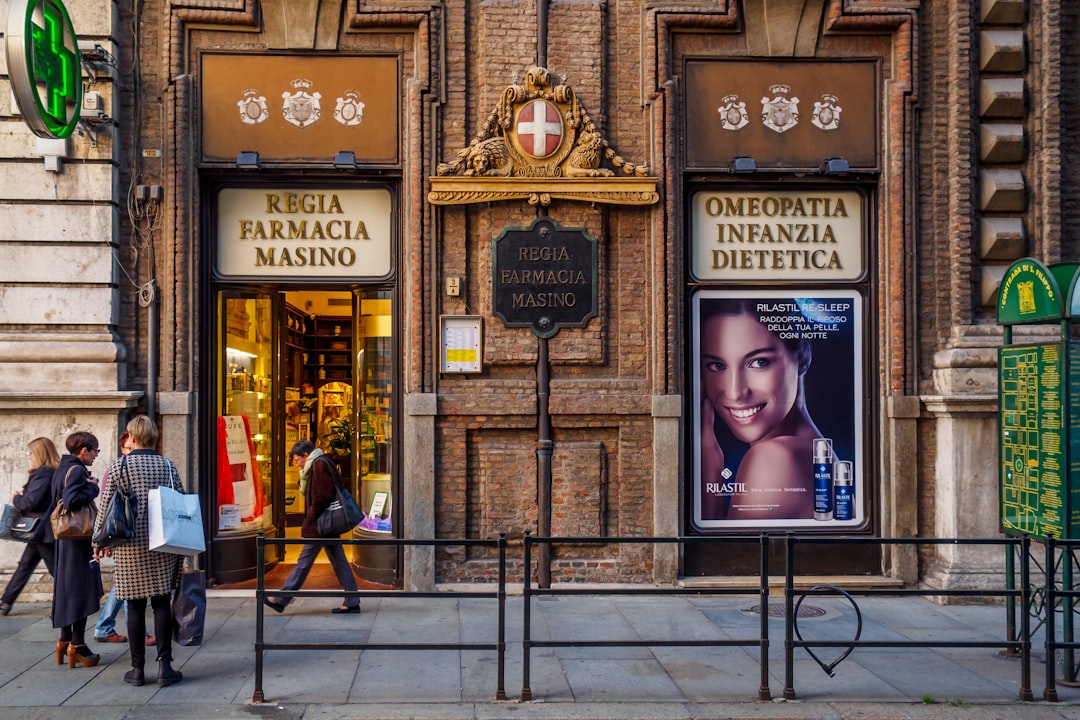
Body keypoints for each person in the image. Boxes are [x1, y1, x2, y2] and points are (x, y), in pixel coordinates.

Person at [699, 298, 822, 520]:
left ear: (803, 357)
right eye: (717, 366)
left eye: (759, 362)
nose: (735, 392)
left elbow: (722, 553)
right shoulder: (809, 450)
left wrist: (708, 463)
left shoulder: (775, 458)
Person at [93, 415, 185, 687]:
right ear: (154, 438)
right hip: (162, 543)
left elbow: (106, 507)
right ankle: (165, 667)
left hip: (130, 545)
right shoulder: (168, 466)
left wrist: (98, 542)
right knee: (160, 603)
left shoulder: (120, 467)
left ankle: (136, 669)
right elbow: (179, 501)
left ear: (132, 438)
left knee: (134, 605)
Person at [265, 439, 360, 615]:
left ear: (306, 455)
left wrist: (310, 518)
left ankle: (281, 599)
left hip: (320, 524)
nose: (296, 463)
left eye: (297, 459)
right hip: (326, 524)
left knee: (304, 562)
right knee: (339, 561)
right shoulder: (317, 464)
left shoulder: (320, 465)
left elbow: (321, 497)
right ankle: (352, 600)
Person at [93, 431, 154, 646]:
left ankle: (104, 626)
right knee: (130, 587)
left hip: (138, 537)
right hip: (122, 536)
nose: (130, 452)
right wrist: (103, 540)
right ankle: (138, 633)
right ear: (122, 449)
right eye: (127, 449)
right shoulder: (116, 470)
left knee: (124, 585)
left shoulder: (143, 466)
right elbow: (108, 507)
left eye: (132, 447)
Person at [51, 431, 104, 668]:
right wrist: (93, 487)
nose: (95, 456)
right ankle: (78, 645)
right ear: (83, 450)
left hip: (66, 540)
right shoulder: (77, 471)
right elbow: (72, 500)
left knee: (67, 589)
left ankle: (64, 642)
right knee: (80, 589)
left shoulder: (61, 468)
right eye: (95, 451)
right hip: (78, 540)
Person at [0, 437, 61, 615]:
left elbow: (30, 502)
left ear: (39, 454)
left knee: (56, 570)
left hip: (41, 530)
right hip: (39, 531)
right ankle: (6, 601)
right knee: (25, 565)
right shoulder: (52, 472)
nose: (29, 457)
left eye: (30, 453)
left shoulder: (44, 473)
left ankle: (68, 603)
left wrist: (17, 497)